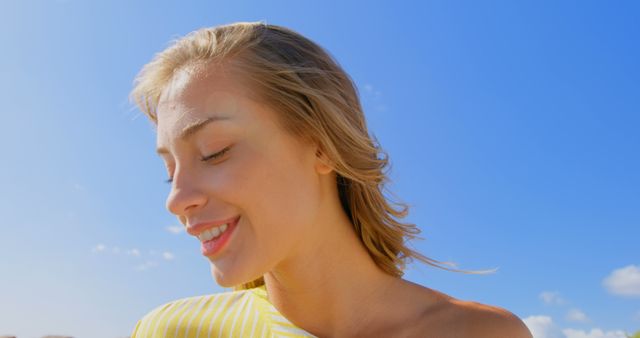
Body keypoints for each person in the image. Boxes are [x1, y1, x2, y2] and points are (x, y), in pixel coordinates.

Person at [128, 21, 532, 338]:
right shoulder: (170, 331)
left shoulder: (483, 334)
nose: (177, 199)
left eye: (214, 151)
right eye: (170, 172)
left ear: (321, 144)